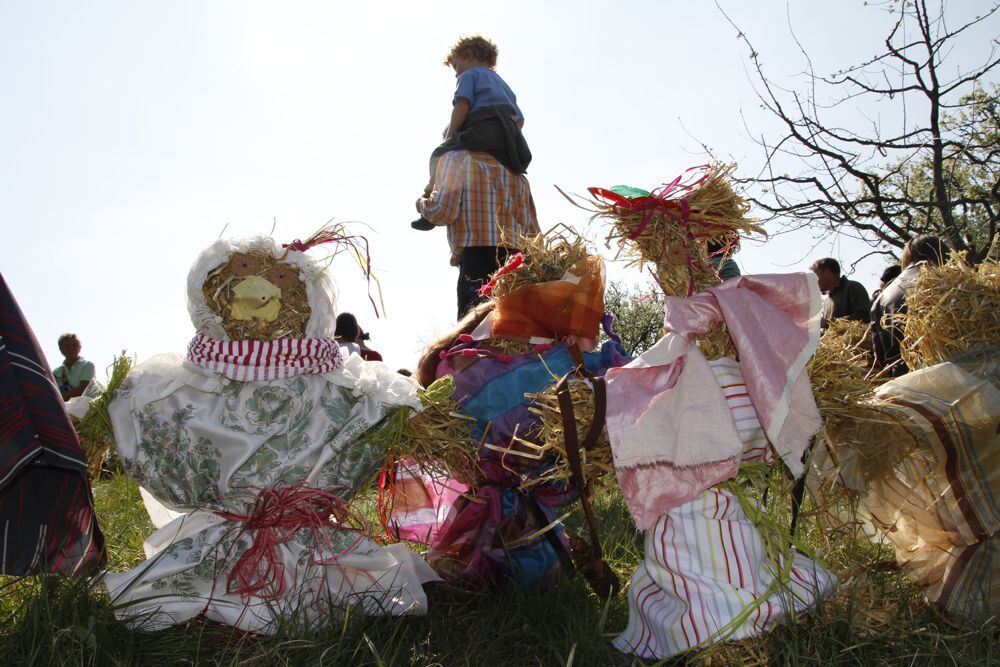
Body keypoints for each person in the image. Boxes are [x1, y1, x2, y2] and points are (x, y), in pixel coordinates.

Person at [412, 35, 531, 231]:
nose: (456, 73)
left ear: (468, 55)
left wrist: (450, 134)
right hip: (510, 138)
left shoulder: (470, 76)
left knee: (440, 153)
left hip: (483, 129)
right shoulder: (503, 84)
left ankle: (430, 201)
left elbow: (462, 104)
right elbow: (520, 120)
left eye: (456, 66)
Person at [416, 149, 541, 319]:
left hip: (476, 261)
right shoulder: (516, 172)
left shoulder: (456, 158)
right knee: (514, 334)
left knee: (476, 333)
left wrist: (421, 203)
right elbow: (535, 236)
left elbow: (442, 213)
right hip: (517, 266)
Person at [870, 234, 948, 377]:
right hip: (962, 378)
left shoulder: (881, 298)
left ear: (907, 257)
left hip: (907, 381)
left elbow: (881, 358)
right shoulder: (958, 283)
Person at [810, 257, 872, 328]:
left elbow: (863, 317)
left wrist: (829, 323)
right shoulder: (827, 300)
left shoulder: (853, 288)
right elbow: (828, 331)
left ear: (828, 273)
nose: (813, 282)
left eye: (815, 277)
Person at [53, 333, 95, 401]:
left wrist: (57, 398)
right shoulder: (56, 372)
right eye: (67, 346)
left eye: (74, 345)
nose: (71, 348)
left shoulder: (87, 365)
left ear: (79, 347)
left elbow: (83, 390)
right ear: (61, 349)